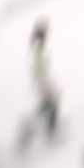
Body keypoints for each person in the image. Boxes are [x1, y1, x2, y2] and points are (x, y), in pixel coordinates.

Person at [18, 19, 61, 148]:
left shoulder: (38, 45)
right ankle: (50, 131)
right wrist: (48, 84)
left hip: (40, 80)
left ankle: (33, 123)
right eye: (46, 32)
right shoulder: (39, 47)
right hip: (41, 80)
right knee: (53, 102)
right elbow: (39, 68)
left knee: (48, 104)